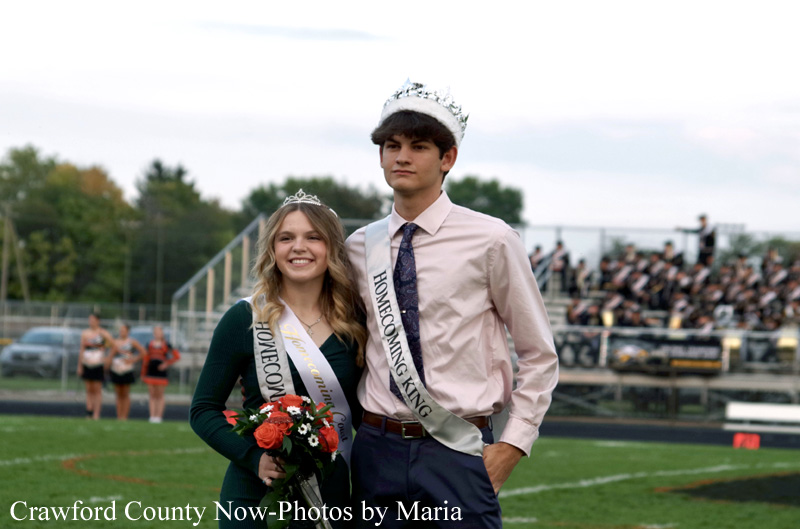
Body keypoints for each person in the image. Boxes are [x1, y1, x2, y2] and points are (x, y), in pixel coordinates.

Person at [346, 80, 559, 528]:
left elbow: (539, 354)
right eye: (391, 146)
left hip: (459, 449)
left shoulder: (492, 240)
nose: (402, 157)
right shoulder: (359, 246)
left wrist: (512, 446)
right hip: (376, 449)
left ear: (448, 159)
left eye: (418, 146)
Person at [190, 191, 365, 529]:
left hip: (329, 495)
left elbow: (361, 416)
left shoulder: (354, 324)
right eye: (286, 238)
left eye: (313, 237)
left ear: (332, 248)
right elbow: (203, 410)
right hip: (254, 494)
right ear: (272, 249)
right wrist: (253, 457)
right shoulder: (244, 318)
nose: (299, 247)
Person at [77, 313, 114, 420]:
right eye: (90, 320)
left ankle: (96, 414)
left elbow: (113, 345)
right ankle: (89, 411)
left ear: (98, 321)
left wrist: (108, 358)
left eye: (93, 320)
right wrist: (80, 365)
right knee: (89, 389)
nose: (91, 322)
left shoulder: (103, 333)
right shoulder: (85, 333)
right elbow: (82, 349)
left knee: (97, 390)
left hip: (98, 364)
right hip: (87, 363)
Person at [141, 325, 181, 423]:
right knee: (152, 395)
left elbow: (177, 356)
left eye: (159, 331)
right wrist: (143, 373)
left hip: (161, 373)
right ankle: (152, 416)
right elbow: (146, 359)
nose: (157, 333)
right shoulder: (149, 344)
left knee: (159, 395)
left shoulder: (166, 345)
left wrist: (166, 364)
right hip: (151, 372)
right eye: (156, 332)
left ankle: (158, 416)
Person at [106, 323, 145, 421]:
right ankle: (119, 416)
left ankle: (125, 416)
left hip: (127, 369)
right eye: (121, 330)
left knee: (125, 394)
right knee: (118, 394)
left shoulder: (132, 342)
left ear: (128, 332)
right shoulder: (115, 342)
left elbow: (143, 352)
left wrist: (133, 360)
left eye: (124, 330)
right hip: (116, 369)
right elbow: (110, 355)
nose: (122, 332)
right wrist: (107, 365)